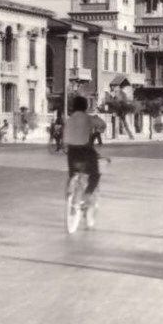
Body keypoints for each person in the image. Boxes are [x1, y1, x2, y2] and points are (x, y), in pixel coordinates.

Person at [62, 95, 107, 229]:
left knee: (73, 174)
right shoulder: (89, 118)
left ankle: (70, 194)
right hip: (85, 151)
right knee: (95, 176)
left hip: (71, 153)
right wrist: (99, 130)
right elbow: (102, 125)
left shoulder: (69, 119)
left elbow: (65, 140)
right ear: (85, 107)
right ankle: (87, 196)